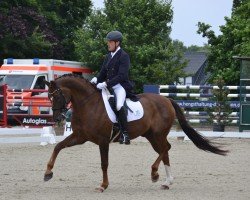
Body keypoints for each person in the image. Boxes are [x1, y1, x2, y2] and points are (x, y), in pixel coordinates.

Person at [90, 30, 133, 145]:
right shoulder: (108, 56)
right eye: (108, 42)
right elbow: (103, 72)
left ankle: (125, 134)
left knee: (119, 105)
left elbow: (122, 75)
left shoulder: (124, 56)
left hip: (120, 86)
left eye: (110, 42)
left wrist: (106, 84)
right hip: (108, 86)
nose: (108, 44)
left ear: (117, 43)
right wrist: (96, 80)